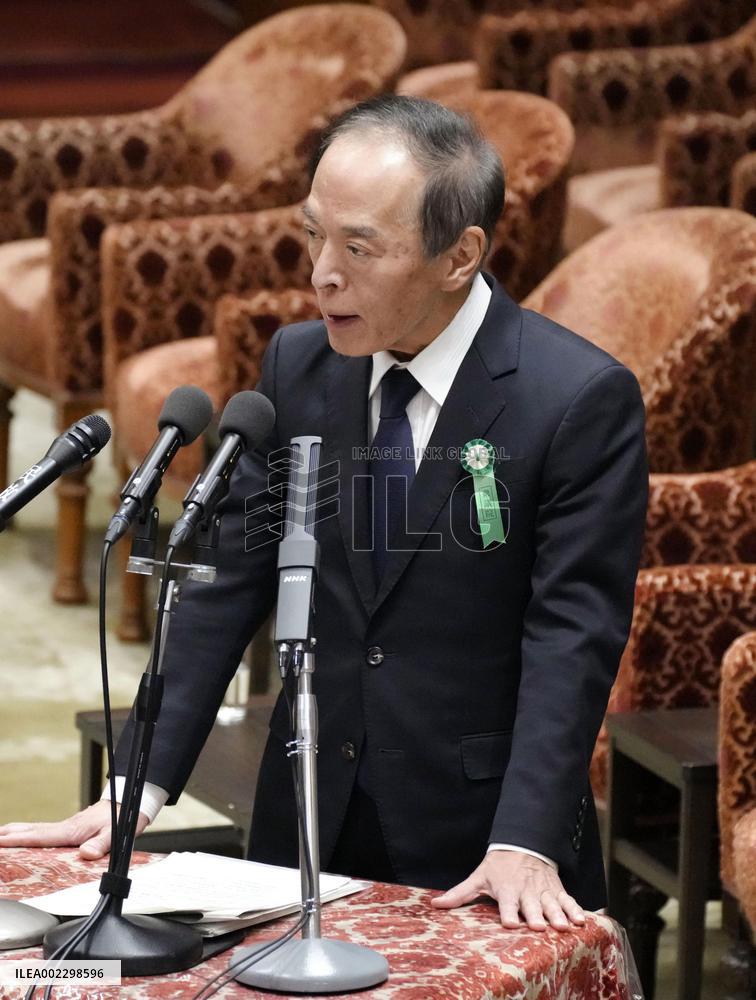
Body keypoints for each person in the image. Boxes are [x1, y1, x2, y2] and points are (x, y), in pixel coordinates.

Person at [0, 95, 648, 932]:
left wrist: (525, 836)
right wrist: (136, 786)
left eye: (359, 247)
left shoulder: (575, 401)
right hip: (305, 823)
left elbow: (573, 633)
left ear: (461, 256)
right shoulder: (300, 367)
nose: (322, 273)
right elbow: (227, 582)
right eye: (314, 234)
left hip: (483, 848)